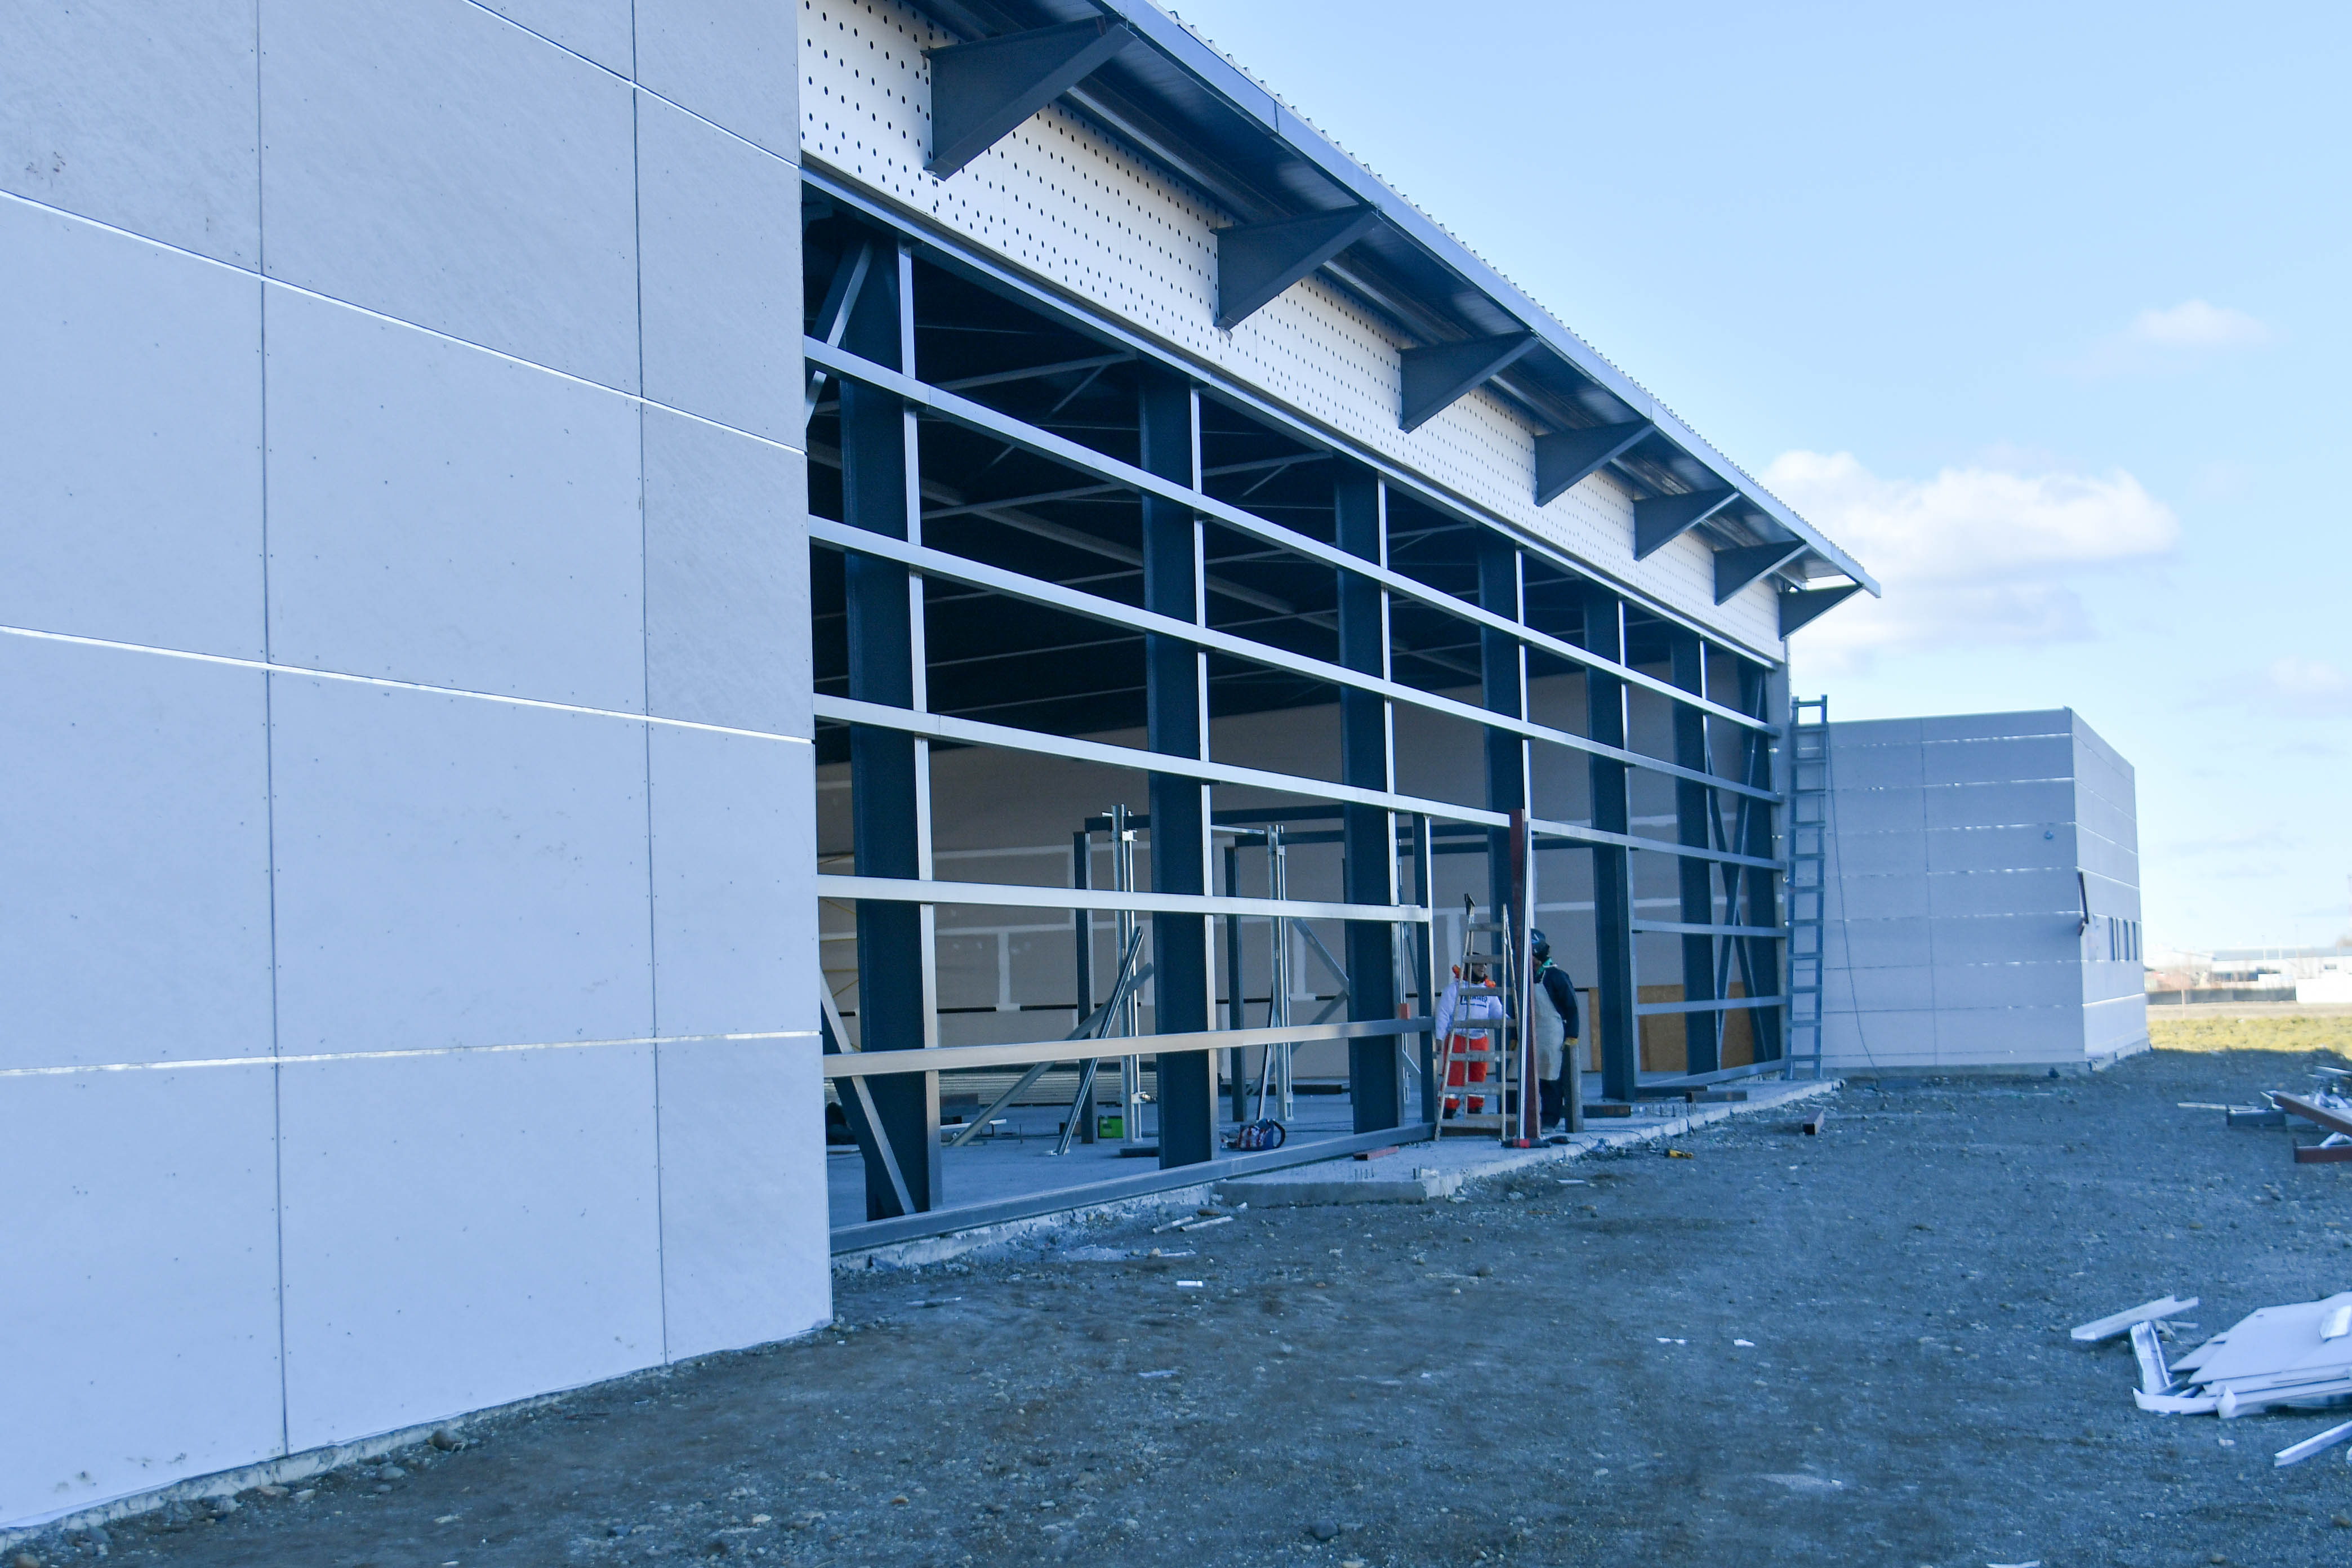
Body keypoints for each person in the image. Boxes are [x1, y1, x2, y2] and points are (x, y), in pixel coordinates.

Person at [1528, 929, 1582, 1133]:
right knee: (1518, 1075)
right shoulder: (1526, 979)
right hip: (1531, 1032)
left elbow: (1572, 1008)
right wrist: (1515, 1038)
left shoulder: (1556, 976)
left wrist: (1572, 1035)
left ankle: (1550, 1119)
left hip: (1552, 1033)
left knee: (1550, 1077)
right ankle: (1519, 1117)